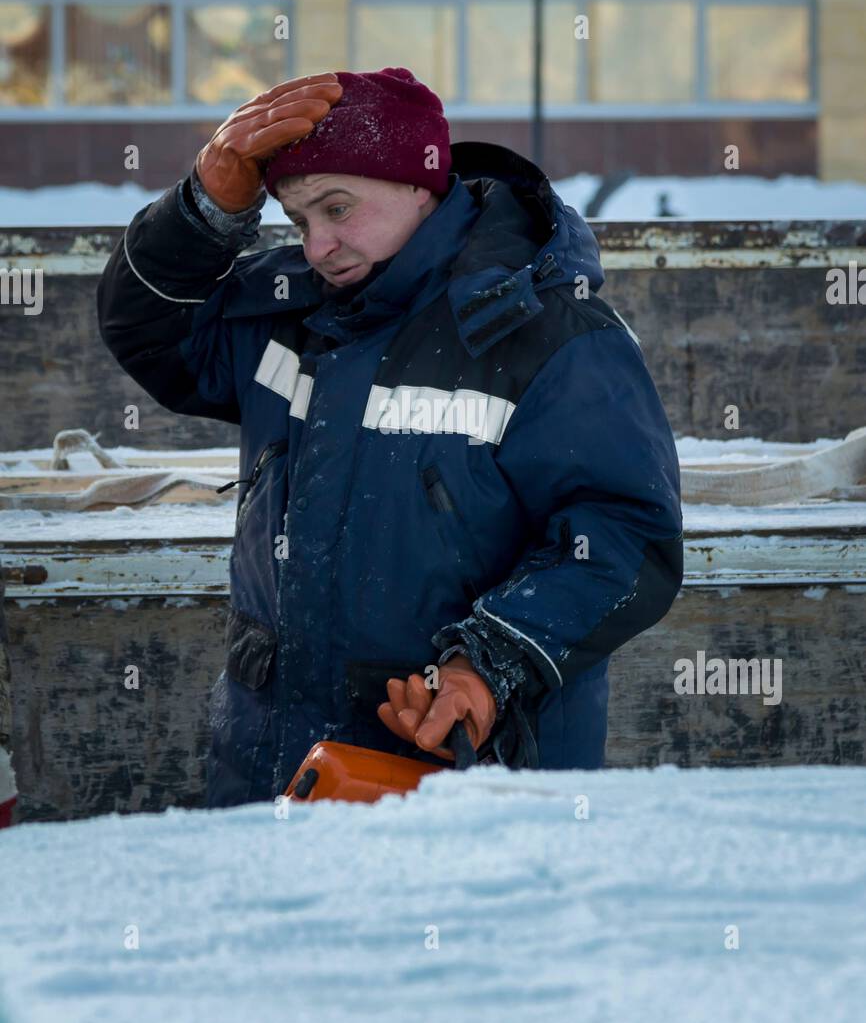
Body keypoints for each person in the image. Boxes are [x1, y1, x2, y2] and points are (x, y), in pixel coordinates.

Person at [97, 66, 683, 807]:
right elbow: (147, 333)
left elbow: (622, 535)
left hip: (464, 776)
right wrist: (203, 212)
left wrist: (492, 663)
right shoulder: (290, 310)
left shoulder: (547, 332)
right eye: (300, 219)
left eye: (338, 208)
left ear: (421, 186)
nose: (318, 245)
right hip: (267, 772)